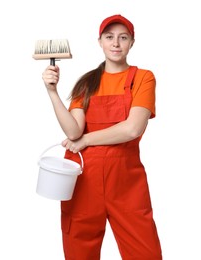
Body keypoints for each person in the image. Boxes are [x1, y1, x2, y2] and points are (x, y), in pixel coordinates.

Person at [42, 14, 162, 260]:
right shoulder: (86, 84)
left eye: (123, 37)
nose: (116, 43)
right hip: (83, 177)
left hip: (126, 181)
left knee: (145, 253)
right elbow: (74, 131)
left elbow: (132, 128)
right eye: (109, 37)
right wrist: (52, 92)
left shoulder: (143, 78)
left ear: (132, 42)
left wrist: (86, 140)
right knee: (79, 252)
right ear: (100, 42)